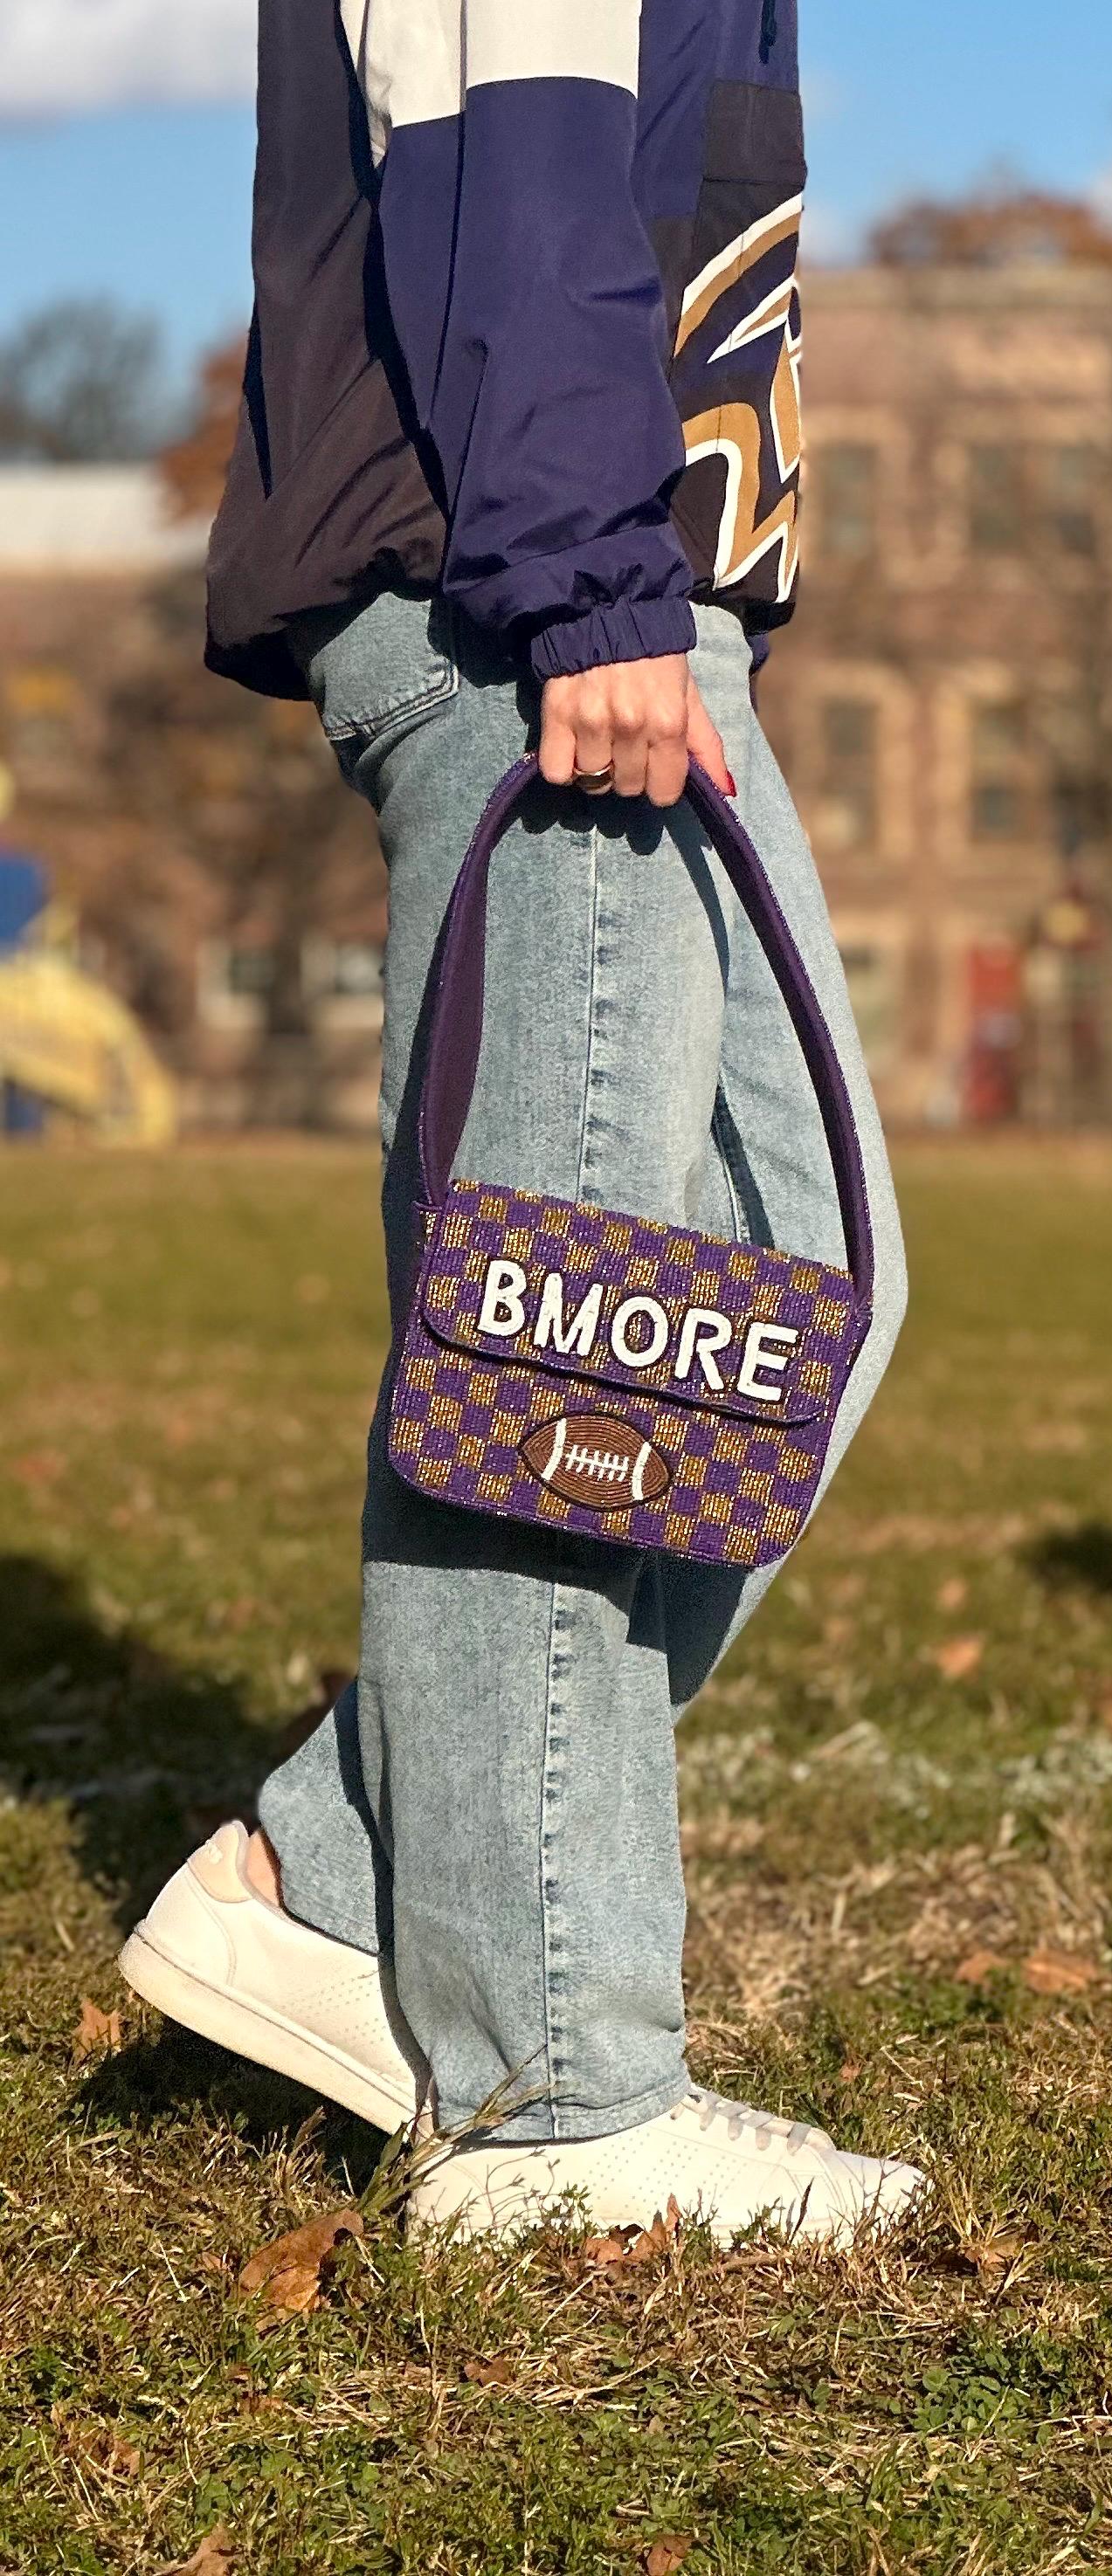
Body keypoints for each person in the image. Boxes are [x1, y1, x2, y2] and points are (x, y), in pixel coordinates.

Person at [116, 0, 922, 2246]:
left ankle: (350, 1869)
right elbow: (515, 136)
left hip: (629, 611)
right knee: (562, 1334)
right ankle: (557, 2093)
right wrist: (587, 579)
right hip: (535, 610)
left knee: (794, 1293)